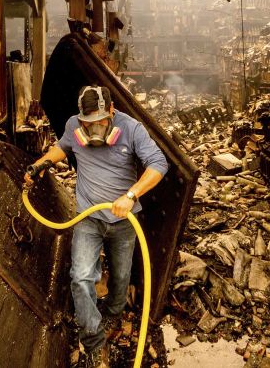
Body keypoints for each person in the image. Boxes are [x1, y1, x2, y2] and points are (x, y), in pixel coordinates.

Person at [24, 85, 168, 368]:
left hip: (124, 221)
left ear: (112, 112)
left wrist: (130, 195)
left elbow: (159, 164)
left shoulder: (132, 129)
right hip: (88, 217)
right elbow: (62, 147)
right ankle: (93, 341)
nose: (94, 129)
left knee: (121, 275)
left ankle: (114, 312)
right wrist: (39, 165)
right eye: (87, 123)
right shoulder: (73, 127)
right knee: (80, 277)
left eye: (100, 122)